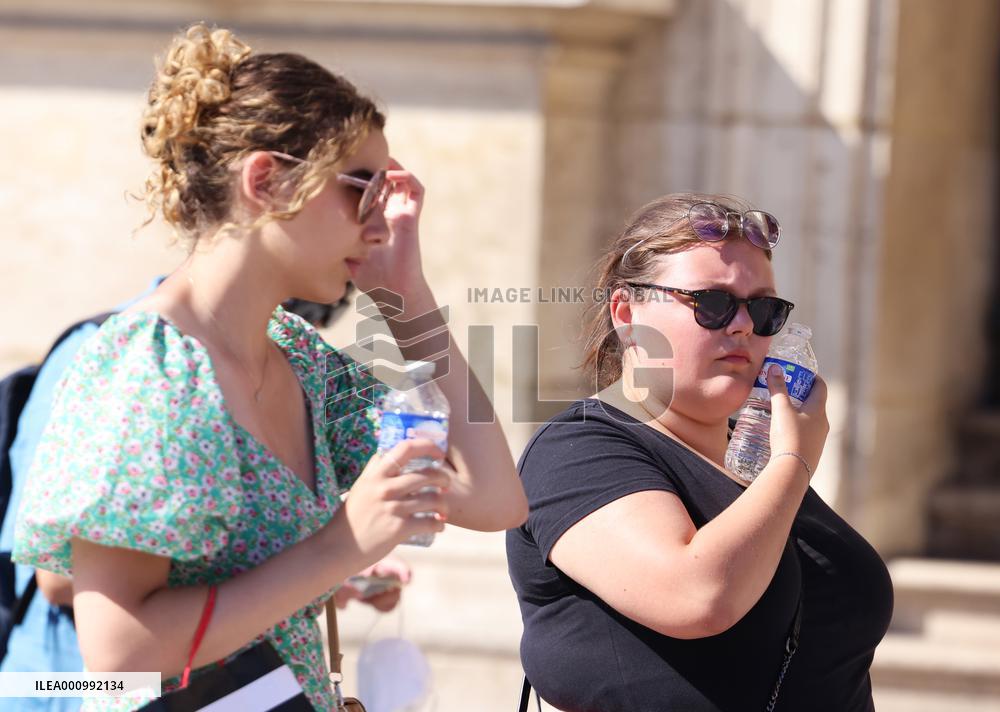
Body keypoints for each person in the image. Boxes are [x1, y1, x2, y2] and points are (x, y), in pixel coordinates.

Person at [14, 23, 526, 711]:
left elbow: (495, 497)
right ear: (267, 180)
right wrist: (342, 547)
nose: (380, 225)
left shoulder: (301, 358)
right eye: (363, 192)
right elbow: (119, 652)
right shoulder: (149, 368)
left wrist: (407, 299)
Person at [506, 193, 894, 712]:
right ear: (627, 311)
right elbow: (697, 596)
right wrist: (794, 462)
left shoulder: (760, 459)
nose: (741, 326)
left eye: (763, 309)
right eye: (711, 304)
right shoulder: (577, 449)